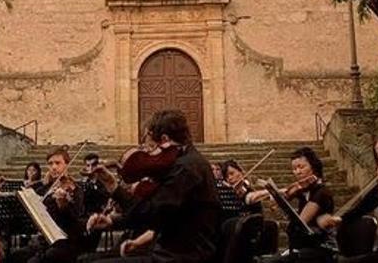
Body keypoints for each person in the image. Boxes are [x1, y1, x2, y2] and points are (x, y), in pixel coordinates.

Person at [88, 109, 221, 263]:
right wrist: (114, 221)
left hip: (181, 257)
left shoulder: (186, 169)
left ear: (164, 139)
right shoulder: (187, 163)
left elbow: (151, 215)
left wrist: (113, 186)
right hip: (173, 252)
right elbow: (164, 215)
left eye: (149, 143)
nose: (147, 151)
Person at [11, 148, 87, 263]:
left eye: (58, 163)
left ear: (67, 165)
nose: (54, 167)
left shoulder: (75, 189)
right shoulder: (45, 188)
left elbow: (76, 219)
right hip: (45, 240)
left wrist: (63, 205)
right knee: (15, 256)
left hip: (65, 241)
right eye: (50, 164)